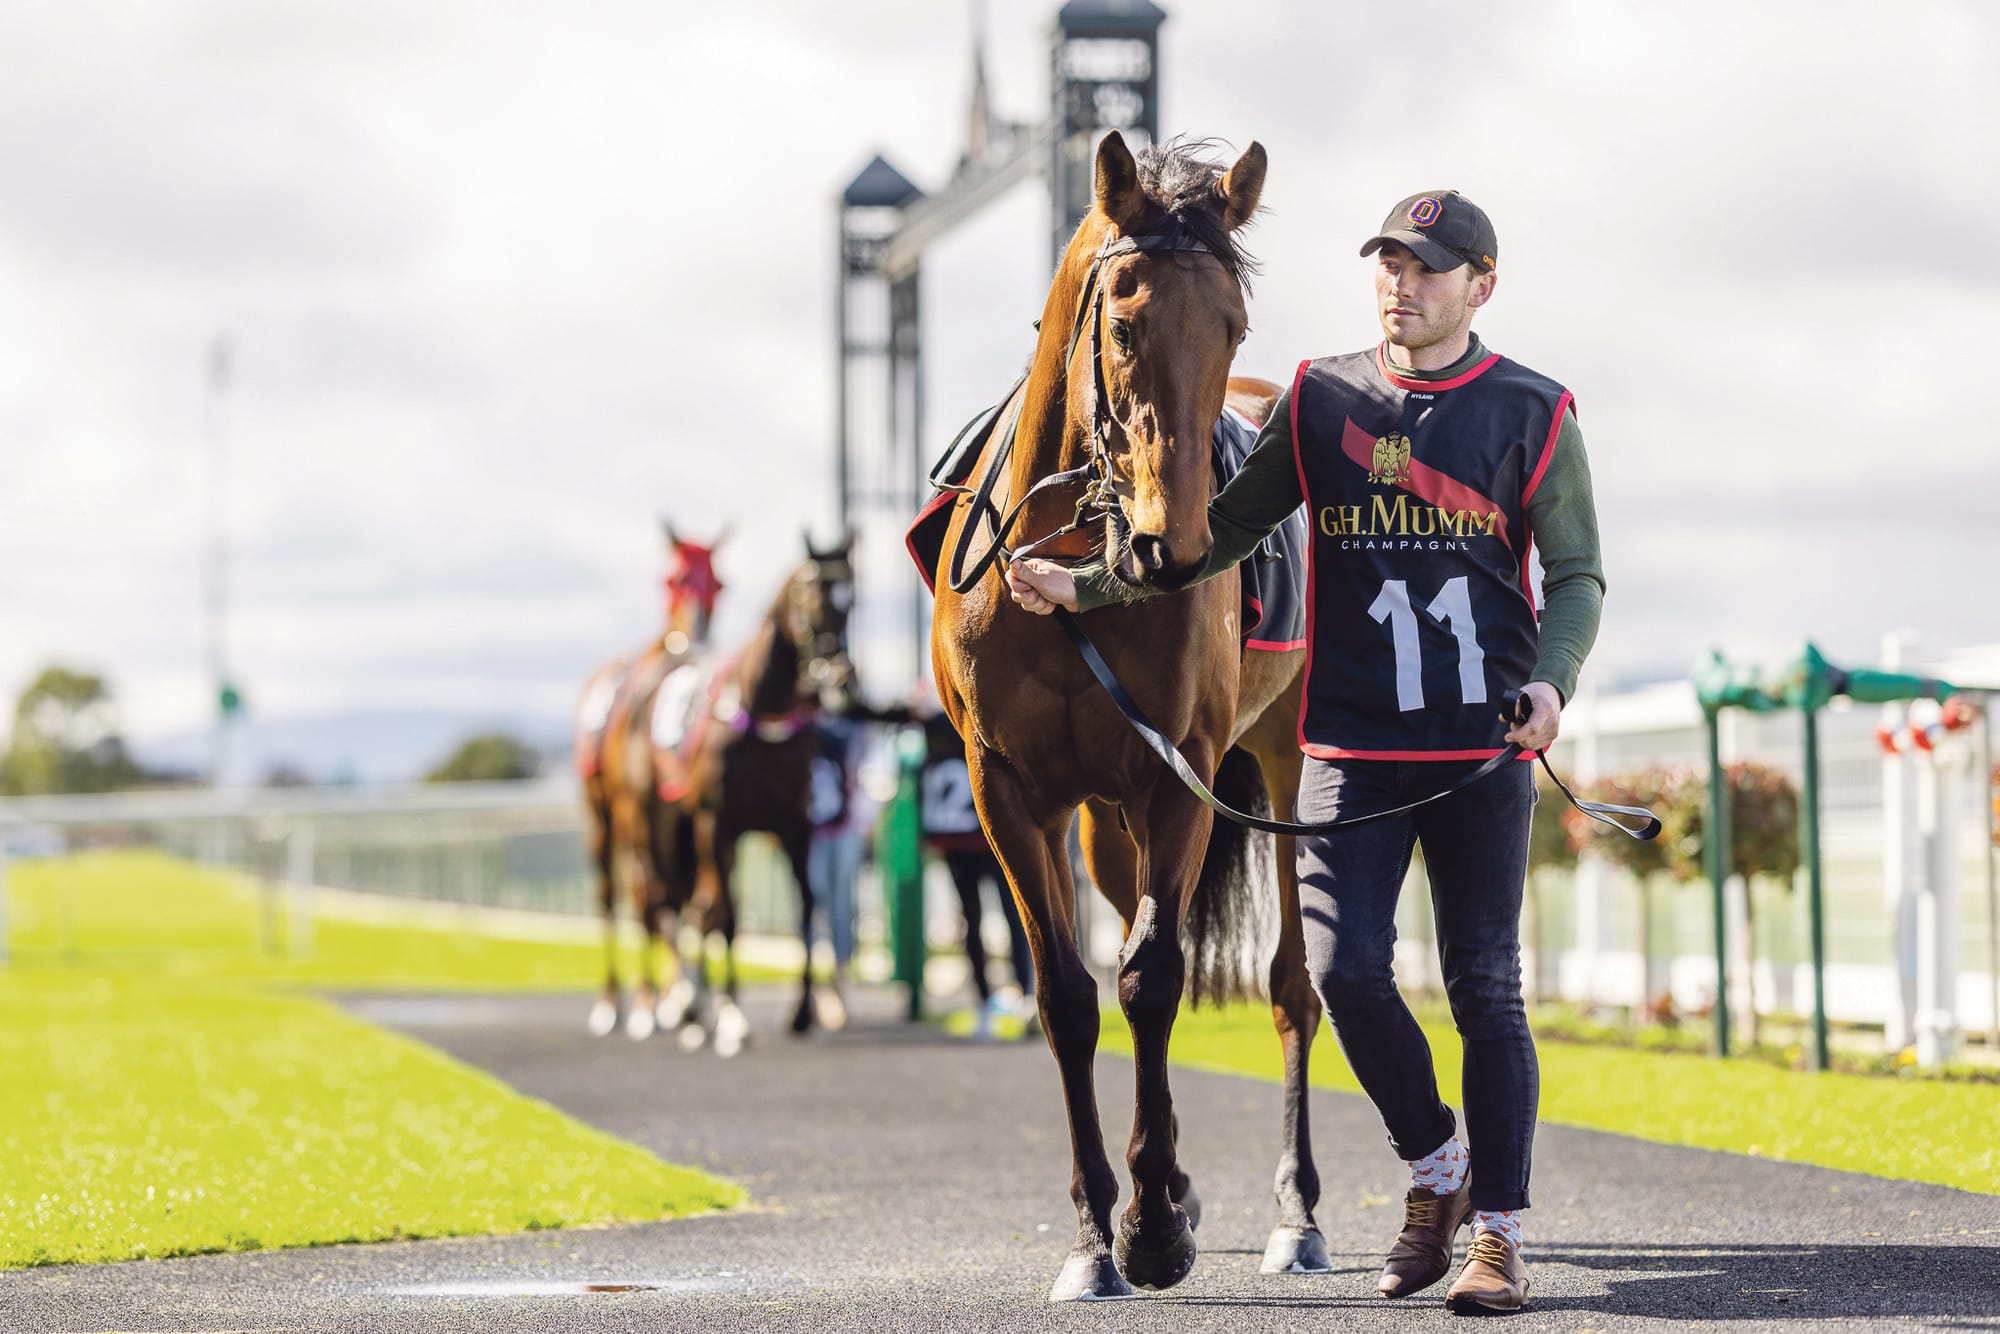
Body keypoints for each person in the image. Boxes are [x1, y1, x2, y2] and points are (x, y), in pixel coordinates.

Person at [1006, 190, 1603, 1315]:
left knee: (1484, 988)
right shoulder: (1319, 398)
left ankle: (1495, 1237)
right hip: (1348, 746)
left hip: (1479, 751)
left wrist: (1548, 681)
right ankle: (1434, 1168)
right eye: (1387, 261)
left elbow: (1574, 575)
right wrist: (1083, 584)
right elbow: (1218, 536)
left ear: (1479, 284)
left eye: (1427, 268)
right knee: (1342, 974)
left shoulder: (1536, 409)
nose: (1400, 282)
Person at [919, 708, 1035, 1036]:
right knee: (983, 919)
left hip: (984, 838)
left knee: (1008, 917)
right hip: (966, 838)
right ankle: (998, 998)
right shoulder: (955, 718)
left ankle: (1023, 995)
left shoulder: (962, 717)